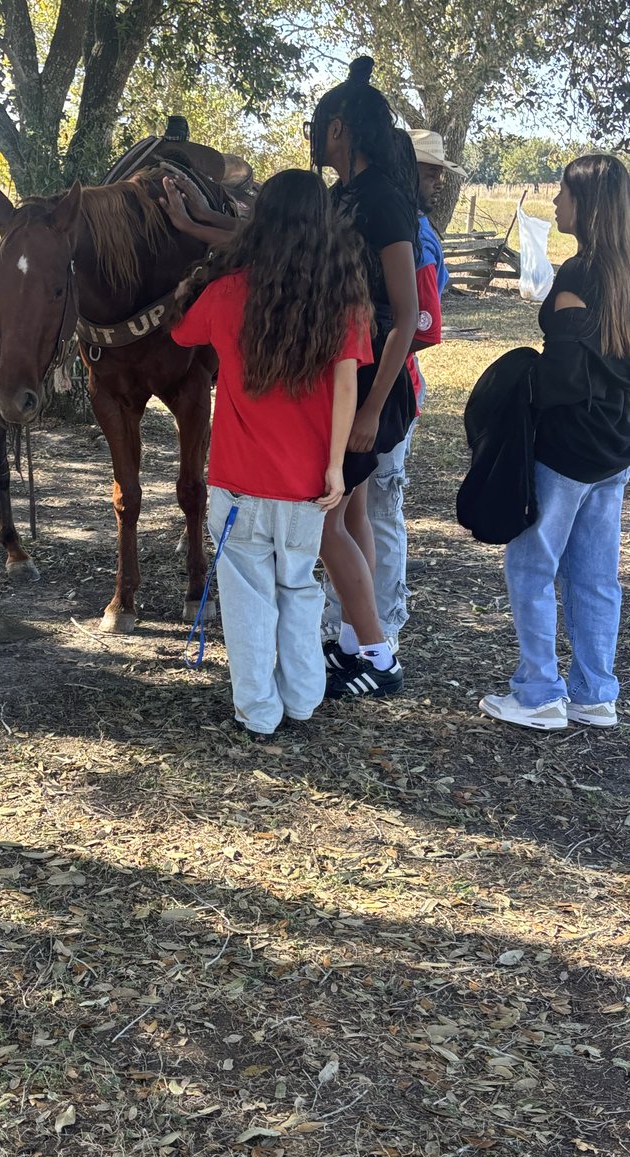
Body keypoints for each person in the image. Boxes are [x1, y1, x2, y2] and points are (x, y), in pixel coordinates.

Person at [169, 170, 373, 739]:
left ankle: (259, 710)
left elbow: (182, 332)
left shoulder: (228, 292)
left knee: (247, 597)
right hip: (309, 482)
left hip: (238, 483)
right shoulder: (345, 298)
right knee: (300, 588)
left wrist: (208, 262)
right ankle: (304, 698)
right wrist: (334, 465)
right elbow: (348, 389)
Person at [480, 154, 630, 730]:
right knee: (595, 574)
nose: (555, 202)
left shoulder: (578, 275)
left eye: (564, 193)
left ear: (586, 204)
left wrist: (520, 388)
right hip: (615, 446)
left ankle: (539, 690)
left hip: (567, 446)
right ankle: (595, 692)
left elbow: (565, 375)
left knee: (531, 563)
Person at [307, 58, 424, 700]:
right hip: (343, 372)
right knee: (348, 513)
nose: (316, 134)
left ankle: (379, 655)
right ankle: (354, 644)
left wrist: (373, 411)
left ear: (343, 129)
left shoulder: (382, 199)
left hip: (375, 381)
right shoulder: (338, 197)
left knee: (325, 521)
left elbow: (405, 317)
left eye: (322, 125)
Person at [320, 127, 452, 656]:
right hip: (376, 391)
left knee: (373, 512)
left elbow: (419, 324)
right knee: (359, 514)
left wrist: (373, 403)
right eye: (428, 168)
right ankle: (356, 634)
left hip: (386, 392)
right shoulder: (394, 223)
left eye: (437, 170)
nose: (436, 179)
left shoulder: (407, 232)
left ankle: (380, 632)